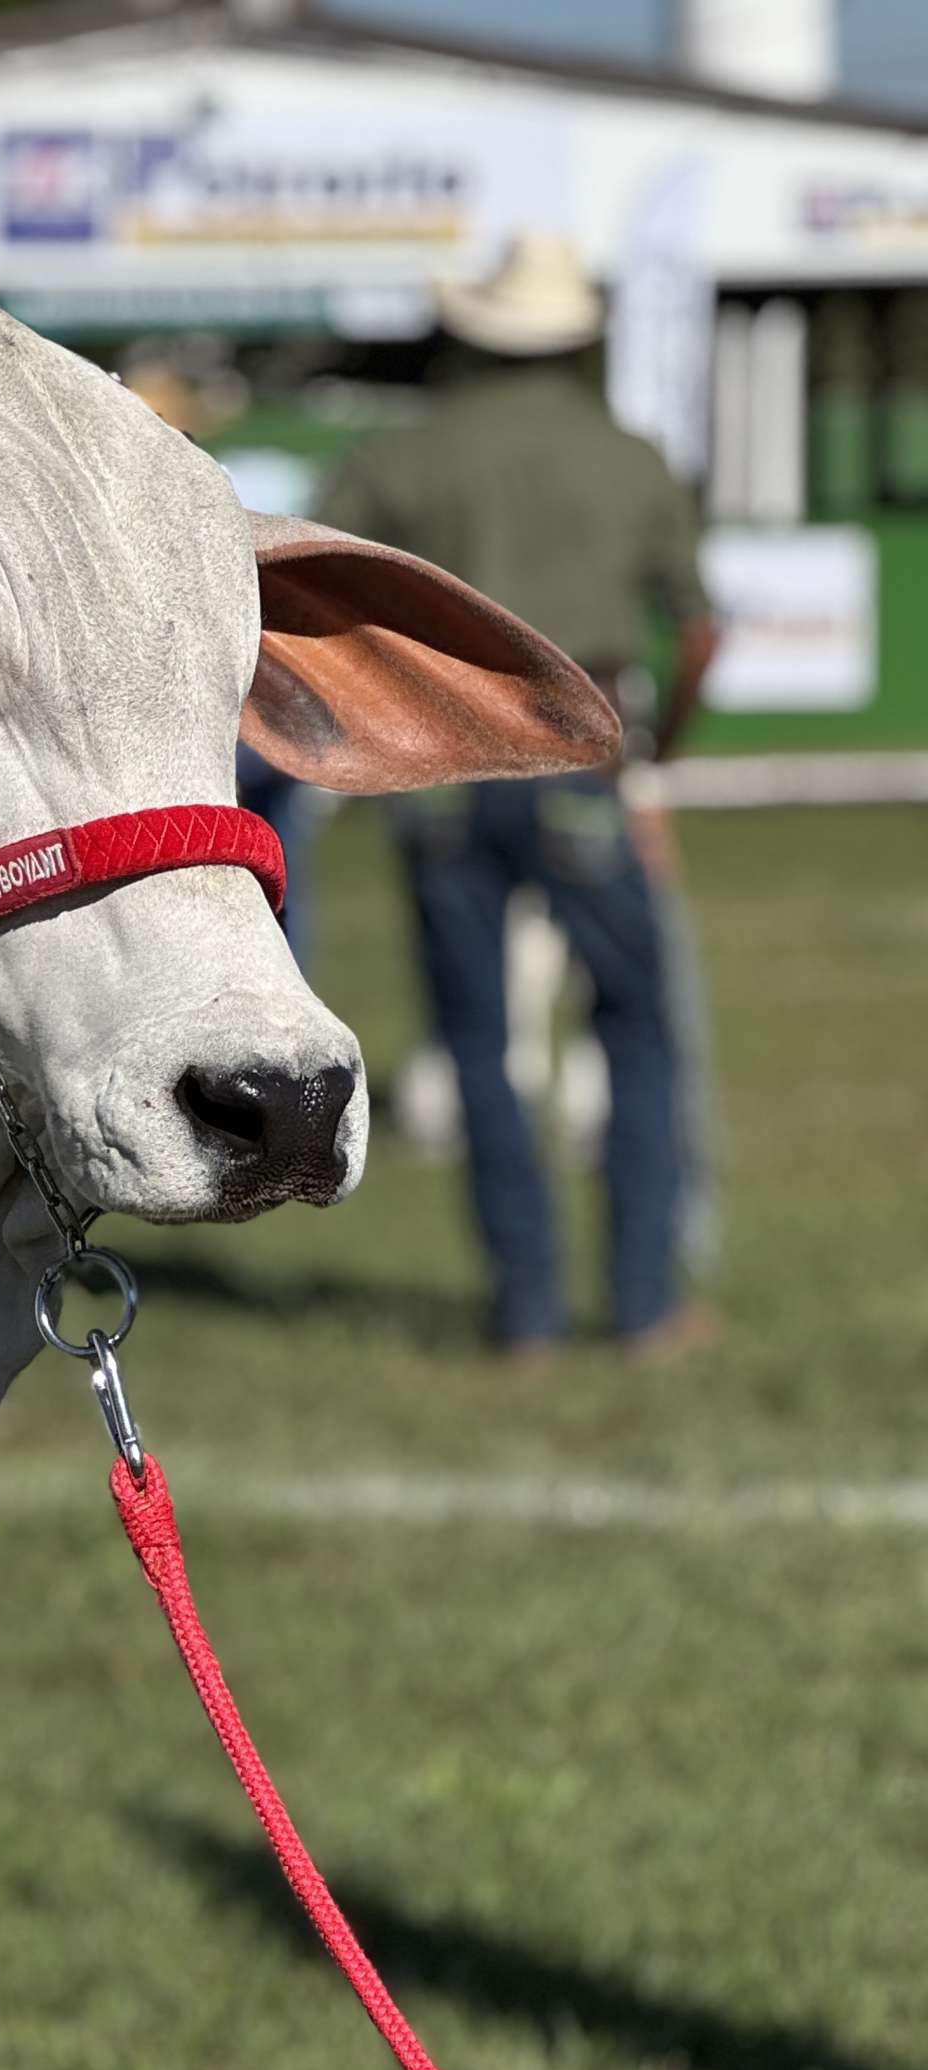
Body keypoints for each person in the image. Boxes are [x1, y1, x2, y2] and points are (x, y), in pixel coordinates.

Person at [319, 233, 720, 1359]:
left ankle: (526, 1311)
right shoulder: (629, 456)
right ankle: (643, 1305)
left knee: (478, 1042)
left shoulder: (406, 454)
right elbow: (698, 628)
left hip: (444, 772)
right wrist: (657, 752)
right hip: (584, 771)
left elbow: (309, 581)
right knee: (635, 1026)